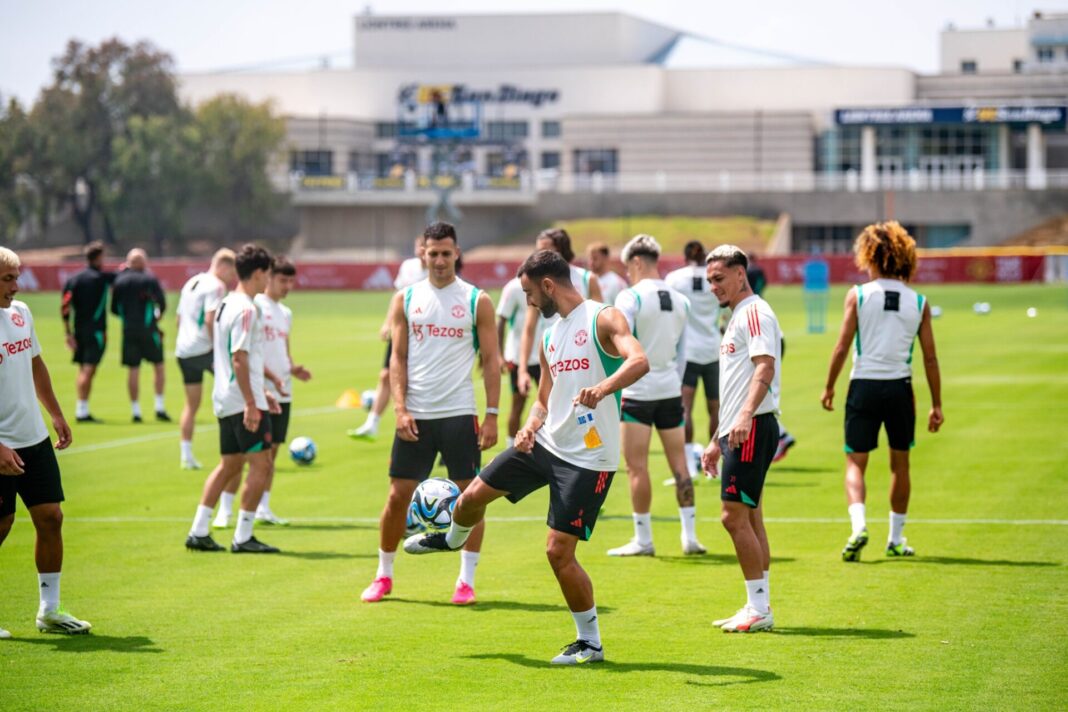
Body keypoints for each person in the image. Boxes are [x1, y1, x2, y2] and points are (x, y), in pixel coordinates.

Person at [404, 249, 648, 664]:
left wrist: (603, 389)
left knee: (558, 552)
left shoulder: (603, 317)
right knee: (470, 498)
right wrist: (530, 425)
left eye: (529, 293)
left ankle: (590, 643)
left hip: (588, 460)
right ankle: (450, 539)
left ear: (548, 286)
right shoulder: (550, 337)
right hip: (545, 444)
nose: (529, 302)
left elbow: (639, 360)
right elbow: (543, 397)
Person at [361, 222, 500, 606]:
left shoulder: (477, 300)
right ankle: (383, 576)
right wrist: (401, 409)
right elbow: (397, 359)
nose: (439, 260)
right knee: (396, 497)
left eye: (445, 252)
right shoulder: (405, 299)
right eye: (432, 253)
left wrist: (491, 414)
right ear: (422, 254)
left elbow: (491, 361)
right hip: (416, 415)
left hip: (459, 414)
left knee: (472, 498)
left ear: (457, 253)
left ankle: (466, 581)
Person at [820, 221, 943, 562]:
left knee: (855, 462)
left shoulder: (858, 295)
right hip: (900, 389)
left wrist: (829, 386)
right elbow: (930, 358)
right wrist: (937, 404)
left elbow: (842, 346)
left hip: (864, 386)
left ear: (868, 255)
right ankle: (896, 538)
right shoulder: (919, 302)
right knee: (899, 465)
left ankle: (858, 526)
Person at [0, 246, 91, 636]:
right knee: (1, 525)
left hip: (33, 439)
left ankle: (49, 611)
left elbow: (35, 362)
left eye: (17, 277)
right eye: (8, 279)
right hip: (1, 444)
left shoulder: (21, 314)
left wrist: (54, 413)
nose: (17, 286)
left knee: (51, 518)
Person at [607, 235, 705, 557]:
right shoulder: (680, 300)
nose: (626, 274)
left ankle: (643, 539)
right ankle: (689, 536)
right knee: (680, 464)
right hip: (669, 390)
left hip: (637, 391)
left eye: (627, 267)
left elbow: (624, 348)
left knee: (637, 467)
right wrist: (672, 381)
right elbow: (684, 352)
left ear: (636, 262)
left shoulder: (629, 297)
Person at [701, 244, 781, 633]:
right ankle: (757, 604)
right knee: (750, 517)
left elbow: (765, 365)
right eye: (709, 281)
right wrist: (717, 438)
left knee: (732, 518)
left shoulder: (754, 312)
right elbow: (734, 384)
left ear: (739, 274)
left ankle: (759, 608)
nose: (714, 287)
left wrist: (746, 416)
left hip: (753, 425)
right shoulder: (737, 316)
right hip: (740, 427)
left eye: (719, 279)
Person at [185, 244, 282, 554]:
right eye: (267, 273)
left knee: (229, 465)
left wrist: (262, 391)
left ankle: (199, 530)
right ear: (257, 274)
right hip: (241, 401)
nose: (269, 279)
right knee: (262, 465)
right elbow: (238, 357)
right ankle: (243, 536)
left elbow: (238, 358)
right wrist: (253, 403)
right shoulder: (247, 309)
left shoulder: (227, 303)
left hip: (227, 397)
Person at [213, 256, 311, 528]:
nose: (287, 285)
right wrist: (262, 386)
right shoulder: (254, 307)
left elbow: (282, 351)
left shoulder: (286, 313)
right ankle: (226, 510)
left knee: (269, 456)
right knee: (241, 458)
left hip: (281, 391)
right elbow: (245, 353)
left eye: (291, 280)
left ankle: (263, 508)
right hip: (255, 391)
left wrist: (292, 369)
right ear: (266, 278)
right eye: (281, 279)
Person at [349, 236, 427, 440]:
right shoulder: (408, 267)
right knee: (386, 375)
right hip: (402, 329)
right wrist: (388, 322)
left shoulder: (438, 272)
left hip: (424, 334)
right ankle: (371, 423)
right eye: (418, 245)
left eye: (424, 246)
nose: (421, 249)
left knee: (418, 381)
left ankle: (422, 426)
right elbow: (397, 297)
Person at [516, 228, 602, 396]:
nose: (540, 254)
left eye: (546, 250)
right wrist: (522, 370)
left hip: (582, 356)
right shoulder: (537, 285)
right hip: (552, 352)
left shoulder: (586, 278)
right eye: (538, 250)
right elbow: (529, 328)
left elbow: (598, 321)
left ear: (562, 249)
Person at [665, 240, 723, 478]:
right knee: (716, 409)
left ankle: (689, 465)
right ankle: (715, 464)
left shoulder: (675, 279)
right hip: (713, 350)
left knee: (685, 408)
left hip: (687, 352)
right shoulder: (716, 278)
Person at [174, 249, 236, 469]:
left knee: (191, 405)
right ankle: (237, 450)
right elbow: (211, 320)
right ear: (223, 267)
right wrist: (218, 349)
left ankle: (186, 455)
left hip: (183, 351)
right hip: (204, 349)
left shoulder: (192, 282)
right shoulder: (216, 286)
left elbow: (178, 319)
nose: (232, 279)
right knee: (234, 391)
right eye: (232, 273)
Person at [747, 252, 796, 462]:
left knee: (756, 391)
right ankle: (780, 435)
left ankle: (781, 435)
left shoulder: (748, 306)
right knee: (758, 391)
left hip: (766, 341)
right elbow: (763, 283)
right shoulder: (757, 273)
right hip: (774, 338)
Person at [111, 249, 170, 423]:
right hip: (149, 329)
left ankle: (136, 411)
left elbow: (113, 308)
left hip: (128, 330)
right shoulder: (149, 279)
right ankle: (159, 407)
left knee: (133, 369)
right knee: (158, 366)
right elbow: (162, 303)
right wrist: (156, 315)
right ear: (143, 262)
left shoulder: (119, 281)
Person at [60, 241, 116, 423]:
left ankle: (81, 408)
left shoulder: (73, 279)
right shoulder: (101, 278)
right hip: (96, 332)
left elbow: (65, 306)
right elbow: (121, 277)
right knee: (88, 370)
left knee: (83, 369)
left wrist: (68, 333)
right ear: (99, 257)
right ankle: (82, 411)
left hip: (79, 331)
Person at [496, 274, 543, 448]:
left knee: (549, 405)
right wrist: (499, 355)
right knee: (518, 405)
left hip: (543, 358)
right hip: (517, 357)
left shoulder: (545, 283)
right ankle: (510, 448)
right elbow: (501, 320)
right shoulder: (513, 287)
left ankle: (549, 449)